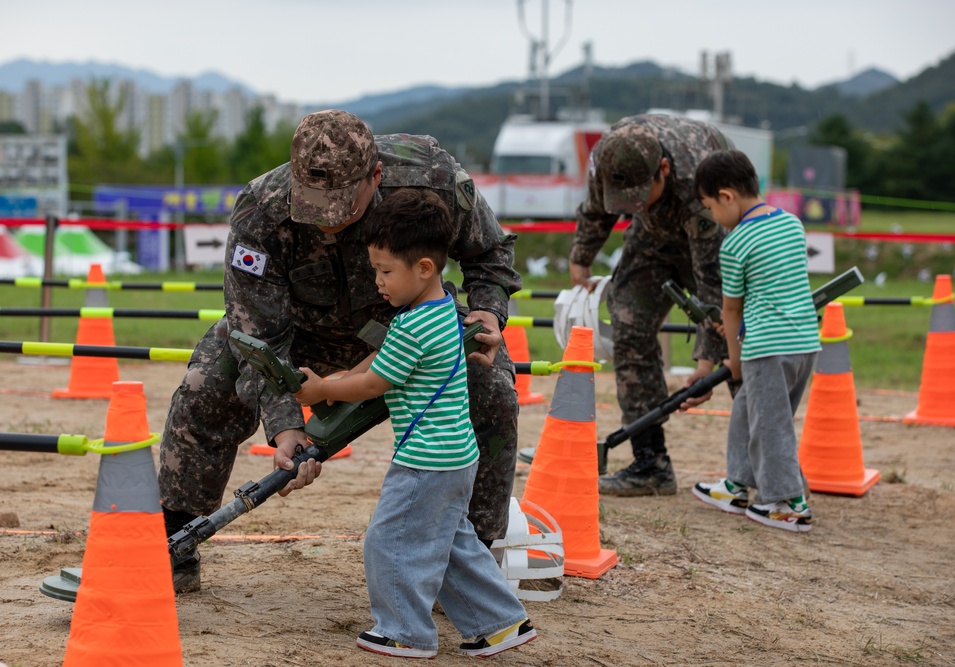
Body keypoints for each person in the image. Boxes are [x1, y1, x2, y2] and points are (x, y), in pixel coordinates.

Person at [159, 109, 522, 593]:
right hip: (302, 339)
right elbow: (259, 334)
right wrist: (287, 426)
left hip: (409, 331)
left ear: (376, 177)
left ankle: (470, 567)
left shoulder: (430, 179)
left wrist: (488, 313)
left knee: (492, 390)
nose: (327, 225)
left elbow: (491, 255)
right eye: (311, 208)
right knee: (208, 382)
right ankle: (173, 541)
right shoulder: (261, 210)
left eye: (342, 209)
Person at [292, 188, 536, 658]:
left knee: (391, 541)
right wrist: (341, 377)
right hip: (456, 456)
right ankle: (501, 624)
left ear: (423, 267)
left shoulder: (410, 326)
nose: (378, 282)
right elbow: (378, 366)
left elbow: (373, 385)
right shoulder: (444, 309)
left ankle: (406, 631)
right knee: (451, 545)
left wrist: (322, 389)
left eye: (385, 272)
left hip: (425, 461)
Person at [569, 113, 732, 496]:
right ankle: (650, 464)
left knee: (739, 340)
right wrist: (582, 257)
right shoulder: (609, 157)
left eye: (640, 197)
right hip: (652, 239)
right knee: (628, 325)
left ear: (663, 170)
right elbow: (595, 208)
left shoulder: (699, 185)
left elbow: (714, 289)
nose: (633, 206)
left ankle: (767, 466)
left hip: (712, 239)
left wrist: (706, 363)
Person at [690, 149, 819, 532]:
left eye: (711, 207)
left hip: (767, 348)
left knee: (771, 425)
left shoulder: (734, 244)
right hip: (804, 342)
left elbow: (731, 310)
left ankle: (788, 503)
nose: (713, 217)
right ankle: (738, 484)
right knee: (750, 411)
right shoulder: (792, 224)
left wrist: (735, 359)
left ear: (727, 196)